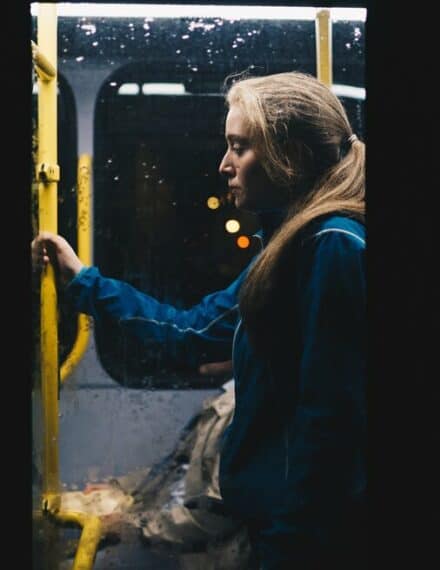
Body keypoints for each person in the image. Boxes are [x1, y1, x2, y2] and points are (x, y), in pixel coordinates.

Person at [32, 71, 366, 568]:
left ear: (288, 156)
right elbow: (190, 333)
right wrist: (83, 281)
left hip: (303, 541)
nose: (224, 164)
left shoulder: (333, 247)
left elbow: (330, 433)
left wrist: (285, 549)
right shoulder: (287, 250)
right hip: (273, 527)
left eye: (239, 147)